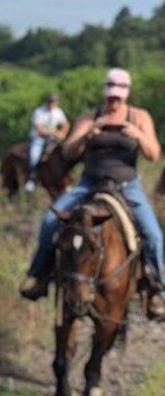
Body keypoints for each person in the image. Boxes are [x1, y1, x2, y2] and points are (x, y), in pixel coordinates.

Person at [20, 68, 165, 318]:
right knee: (50, 221)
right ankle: (39, 275)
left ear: (126, 94)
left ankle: (157, 290)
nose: (113, 101)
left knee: (153, 234)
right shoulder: (90, 116)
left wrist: (137, 134)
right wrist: (88, 133)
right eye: (110, 96)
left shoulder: (139, 116)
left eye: (118, 96)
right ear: (105, 93)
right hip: (89, 183)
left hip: (126, 185)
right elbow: (67, 152)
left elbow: (154, 154)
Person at [25, 93, 70, 192]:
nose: (52, 104)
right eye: (50, 102)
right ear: (47, 102)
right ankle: (31, 179)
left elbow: (65, 124)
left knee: (65, 155)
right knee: (34, 157)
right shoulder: (39, 112)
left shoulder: (58, 112)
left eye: (54, 102)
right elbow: (38, 129)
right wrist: (52, 132)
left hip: (53, 139)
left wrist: (62, 133)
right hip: (39, 138)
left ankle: (65, 179)